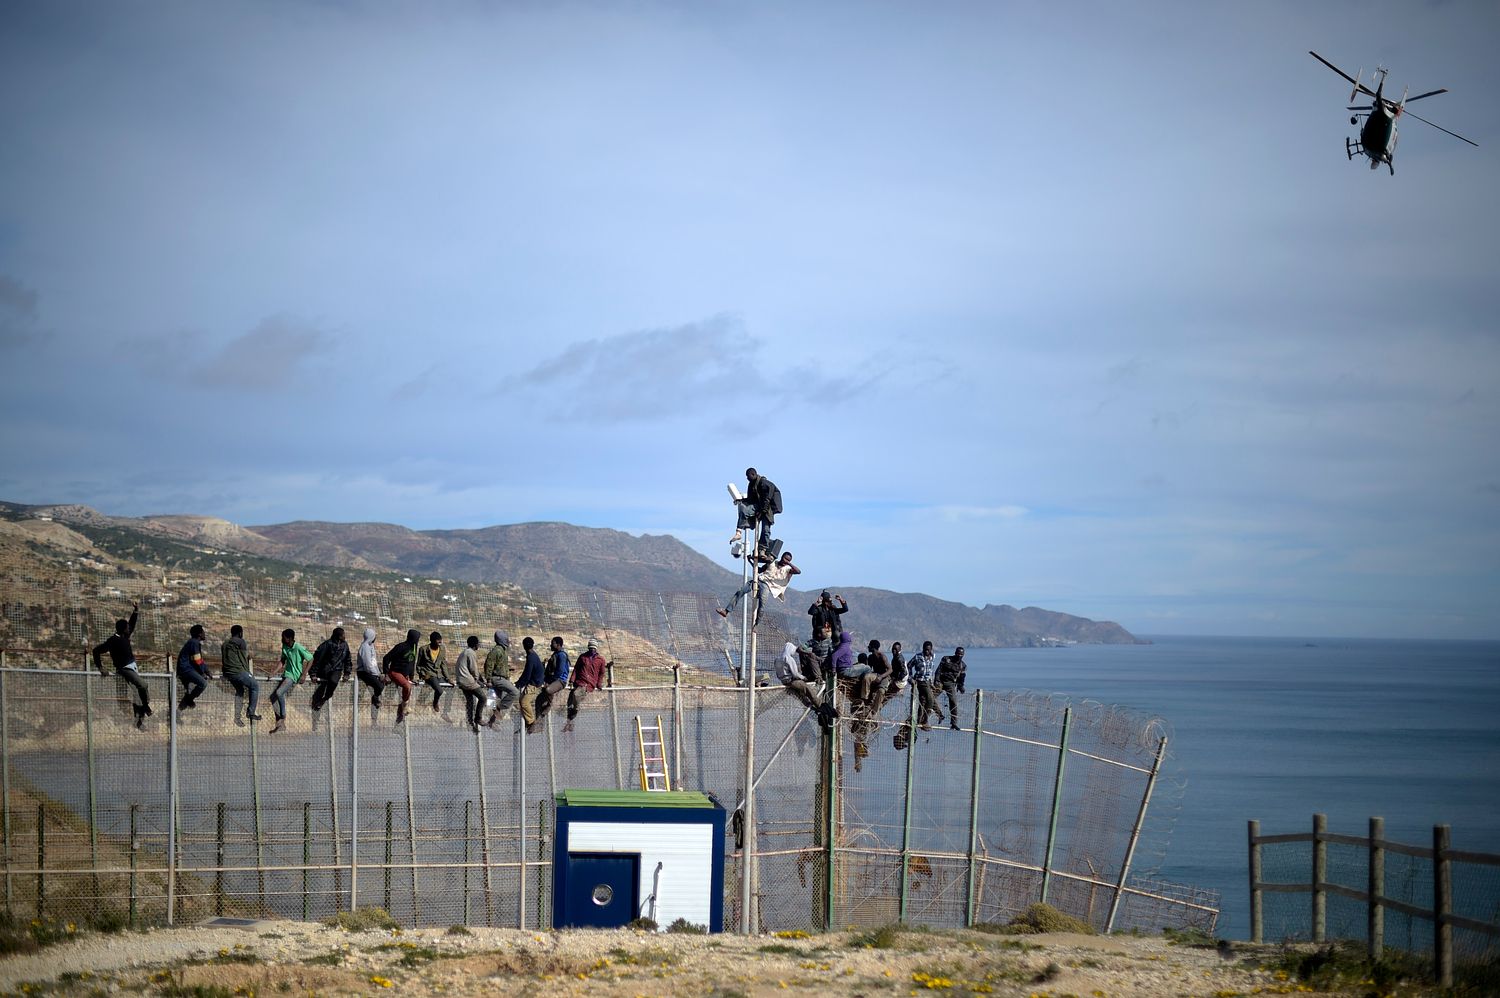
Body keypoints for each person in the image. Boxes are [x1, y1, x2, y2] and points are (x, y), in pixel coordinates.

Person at [92, 602, 152, 727]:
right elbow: (96, 651)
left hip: (132, 668)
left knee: (137, 694)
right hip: (124, 669)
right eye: (127, 627)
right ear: (123, 629)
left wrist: (135, 611)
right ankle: (146, 707)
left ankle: (139, 720)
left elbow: (132, 624)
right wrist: (101, 667)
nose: (129, 628)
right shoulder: (113, 640)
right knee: (143, 685)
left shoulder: (125, 636)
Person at [717, 551, 799, 628]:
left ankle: (757, 624)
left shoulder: (788, 569)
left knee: (762, 604)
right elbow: (759, 570)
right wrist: (750, 561)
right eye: (785, 558)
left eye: (788, 560)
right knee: (740, 591)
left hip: (768, 586)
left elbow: (798, 571)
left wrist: (789, 563)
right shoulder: (772, 562)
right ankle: (726, 611)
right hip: (759, 580)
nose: (785, 561)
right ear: (781, 557)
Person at [270, 628, 312, 734]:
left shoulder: (298, 647)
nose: (282, 639)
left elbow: (310, 659)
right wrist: (273, 672)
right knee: (273, 697)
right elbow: (283, 661)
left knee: (279, 692)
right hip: (286, 674)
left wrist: (304, 674)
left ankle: (283, 717)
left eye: (283, 637)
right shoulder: (285, 647)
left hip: (294, 676)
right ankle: (280, 722)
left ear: (289, 638)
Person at [730, 467, 780, 552]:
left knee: (766, 529)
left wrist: (762, 511)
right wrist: (741, 500)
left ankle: (762, 549)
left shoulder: (764, 483)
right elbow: (750, 499)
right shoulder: (751, 485)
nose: (747, 478)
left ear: (753, 474)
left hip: (768, 509)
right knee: (744, 509)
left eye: (748, 476)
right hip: (760, 506)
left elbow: (767, 499)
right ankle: (738, 532)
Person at [220, 624, 262, 724]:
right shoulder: (241, 642)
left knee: (240, 691)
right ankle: (250, 712)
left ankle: (237, 717)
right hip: (237, 672)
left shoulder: (224, 643)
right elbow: (243, 660)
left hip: (227, 673)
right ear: (240, 633)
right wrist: (249, 674)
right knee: (255, 686)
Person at [309, 626, 352, 718]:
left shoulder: (345, 646)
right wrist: (313, 673)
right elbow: (317, 659)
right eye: (343, 634)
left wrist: (347, 673)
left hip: (337, 670)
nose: (345, 636)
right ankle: (315, 721)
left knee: (333, 681)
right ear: (339, 636)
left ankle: (325, 699)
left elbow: (348, 660)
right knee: (317, 695)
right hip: (324, 671)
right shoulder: (327, 644)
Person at [565, 640, 607, 731]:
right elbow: (576, 669)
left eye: (593, 648)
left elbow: (601, 673)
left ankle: (575, 711)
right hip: (580, 681)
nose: (592, 650)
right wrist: (571, 680)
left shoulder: (601, 660)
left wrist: (599, 684)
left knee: (576, 695)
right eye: (590, 648)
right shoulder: (583, 657)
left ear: (596, 649)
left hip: (589, 684)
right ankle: (569, 721)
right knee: (570, 701)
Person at [382, 628, 421, 723]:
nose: (417, 640)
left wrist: (412, 677)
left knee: (409, 688)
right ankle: (404, 705)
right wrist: (386, 673)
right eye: (417, 638)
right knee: (407, 686)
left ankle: (400, 713)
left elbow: (412, 663)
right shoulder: (401, 647)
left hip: (405, 675)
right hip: (395, 672)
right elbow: (386, 658)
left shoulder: (414, 647)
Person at [533, 636, 570, 727]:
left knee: (548, 690)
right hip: (552, 680)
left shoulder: (562, 655)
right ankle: (538, 723)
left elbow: (559, 671)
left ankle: (549, 705)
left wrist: (550, 681)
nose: (551, 645)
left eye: (552, 643)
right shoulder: (555, 655)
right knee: (538, 700)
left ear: (558, 645)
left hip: (560, 681)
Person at [482, 631, 517, 727]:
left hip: (501, 678)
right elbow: (489, 665)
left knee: (493, 701)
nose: (508, 641)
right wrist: (488, 680)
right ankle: (498, 708)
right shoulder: (497, 651)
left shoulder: (502, 650)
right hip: (497, 679)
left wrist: (509, 668)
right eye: (506, 639)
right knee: (515, 692)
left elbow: (498, 665)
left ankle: (492, 722)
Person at [775, 640, 822, 711]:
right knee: (807, 689)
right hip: (792, 681)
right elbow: (795, 674)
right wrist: (803, 678)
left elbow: (777, 673)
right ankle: (820, 706)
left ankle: (810, 707)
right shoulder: (788, 659)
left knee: (801, 696)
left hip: (783, 681)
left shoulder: (777, 659)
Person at [454, 635, 486, 731]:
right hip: (467, 681)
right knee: (483, 698)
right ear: (476, 645)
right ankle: (478, 718)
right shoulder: (471, 653)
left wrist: (480, 680)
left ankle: (470, 722)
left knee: (470, 701)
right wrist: (479, 681)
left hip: (461, 680)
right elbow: (474, 669)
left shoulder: (464, 652)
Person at [176, 624, 211, 712]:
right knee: (203, 683)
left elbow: (199, 660)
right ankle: (189, 699)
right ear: (199, 634)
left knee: (193, 686)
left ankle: (187, 700)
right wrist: (203, 672)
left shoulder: (193, 643)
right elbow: (197, 660)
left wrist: (207, 671)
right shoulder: (194, 643)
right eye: (203, 632)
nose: (204, 633)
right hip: (186, 669)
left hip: (187, 668)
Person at [909, 640, 942, 730]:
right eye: (925, 649)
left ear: (931, 649)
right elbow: (909, 666)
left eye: (928, 650)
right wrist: (910, 678)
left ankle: (920, 719)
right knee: (930, 699)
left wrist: (932, 682)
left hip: (928, 682)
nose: (926, 651)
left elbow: (931, 670)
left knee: (923, 700)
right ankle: (926, 719)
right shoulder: (918, 657)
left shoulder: (933, 657)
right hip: (920, 681)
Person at [417, 631, 451, 715]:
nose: (440, 642)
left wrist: (448, 678)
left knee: (451, 689)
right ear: (432, 641)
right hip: (428, 674)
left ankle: (446, 712)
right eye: (438, 640)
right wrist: (422, 674)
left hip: (438, 674)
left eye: (440, 640)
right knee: (439, 690)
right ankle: (435, 702)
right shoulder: (423, 649)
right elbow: (418, 665)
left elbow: (443, 664)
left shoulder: (442, 649)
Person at [516, 637, 545, 732]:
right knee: (522, 700)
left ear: (524, 646)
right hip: (536, 682)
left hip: (534, 684)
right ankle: (527, 723)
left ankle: (532, 723)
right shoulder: (533, 655)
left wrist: (519, 683)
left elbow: (527, 673)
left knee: (524, 702)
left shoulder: (531, 657)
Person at [935, 646, 967, 730]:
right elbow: (938, 670)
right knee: (930, 698)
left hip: (951, 684)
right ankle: (938, 715)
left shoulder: (962, 665)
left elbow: (962, 678)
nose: (959, 655)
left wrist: (961, 686)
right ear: (955, 653)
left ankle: (954, 723)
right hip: (941, 682)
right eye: (957, 653)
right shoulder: (946, 659)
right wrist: (936, 680)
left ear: (963, 655)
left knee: (953, 702)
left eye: (961, 654)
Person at [354, 627, 386, 709]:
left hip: (371, 671)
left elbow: (373, 662)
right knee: (379, 686)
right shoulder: (365, 647)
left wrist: (379, 673)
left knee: (382, 683)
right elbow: (367, 664)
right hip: (364, 671)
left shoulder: (370, 646)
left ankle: (375, 698)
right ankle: (375, 698)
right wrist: (376, 674)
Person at [864, 639, 891, 713]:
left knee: (881, 691)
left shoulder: (882, 656)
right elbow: (868, 669)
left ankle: (875, 710)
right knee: (867, 679)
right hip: (875, 675)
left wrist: (881, 677)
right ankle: (866, 701)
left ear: (873, 647)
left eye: (869, 646)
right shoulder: (870, 657)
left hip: (884, 676)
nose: (868, 647)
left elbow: (890, 669)